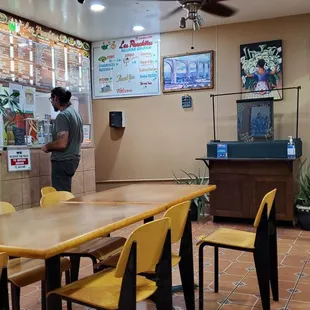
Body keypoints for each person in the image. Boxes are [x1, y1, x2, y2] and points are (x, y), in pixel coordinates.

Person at [41, 87, 83, 192]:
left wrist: (47, 146)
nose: (51, 102)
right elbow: (80, 139)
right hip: (73, 159)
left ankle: (65, 209)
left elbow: (62, 143)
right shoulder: (76, 114)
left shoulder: (63, 116)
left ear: (56, 98)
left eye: (51, 99)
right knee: (65, 192)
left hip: (63, 160)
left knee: (61, 195)